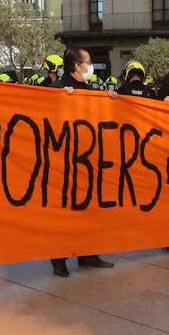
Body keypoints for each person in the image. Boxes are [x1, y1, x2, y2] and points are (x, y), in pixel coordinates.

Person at [46, 47, 115, 276]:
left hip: (88, 159)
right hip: (64, 161)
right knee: (64, 211)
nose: (90, 65)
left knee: (89, 209)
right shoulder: (57, 89)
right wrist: (59, 99)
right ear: (76, 66)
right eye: (88, 61)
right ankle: (59, 258)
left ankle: (88, 254)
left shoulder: (88, 90)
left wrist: (112, 101)